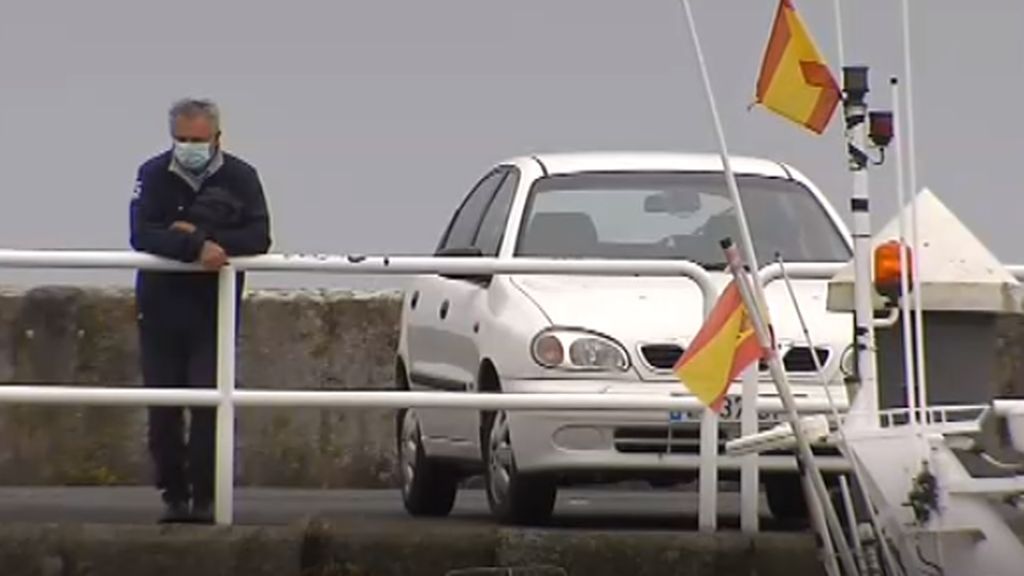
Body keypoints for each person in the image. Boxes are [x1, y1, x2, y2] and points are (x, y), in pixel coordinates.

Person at [129, 98, 271, 523]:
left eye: (199, 140)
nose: (190, 147)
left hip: (214, 312)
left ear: (217, 139)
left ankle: (207, 499)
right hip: (159, 310)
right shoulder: (152, 174)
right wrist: (195, 248)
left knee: (210, 404)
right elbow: (142, 233)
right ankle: (174, 496)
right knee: (164, 410)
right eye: (183, 139)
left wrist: (204, 234)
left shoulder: (242, 178)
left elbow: (259, 236)